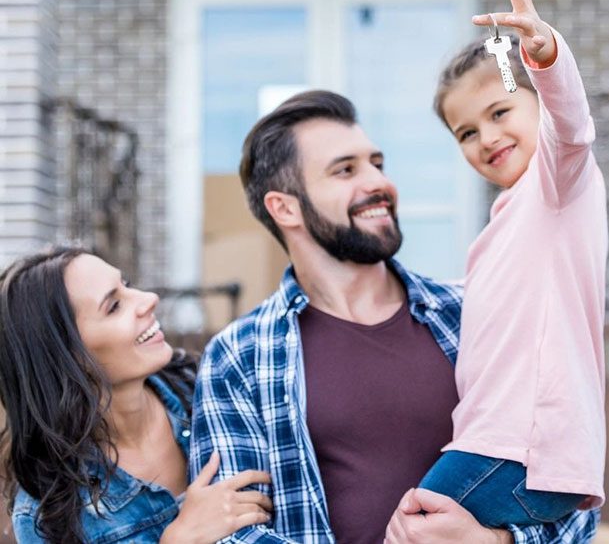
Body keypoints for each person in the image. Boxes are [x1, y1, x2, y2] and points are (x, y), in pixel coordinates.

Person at [189, 86, 600, 542]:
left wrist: (495, 542)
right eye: (345, 170)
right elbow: (230, 533)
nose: (378, 183)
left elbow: (565, 482)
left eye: (377, 164)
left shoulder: (470, 314)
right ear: (284, 207)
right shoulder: (240, 356)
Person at [385, 0, 606, 539]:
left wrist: (543, 59)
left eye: (500, 112)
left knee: (408, 530)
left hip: (520, 447)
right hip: (502, 444)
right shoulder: (503, 225)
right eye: (465, 132)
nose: (485, 138)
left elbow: (573, 130)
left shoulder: (558, 187)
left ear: (536, 103)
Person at [0, 246, 272, 543]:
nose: (149, 299)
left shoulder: (216, 389)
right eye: (114, 306)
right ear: (65, 357)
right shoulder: (46, 514)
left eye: (126, 285)